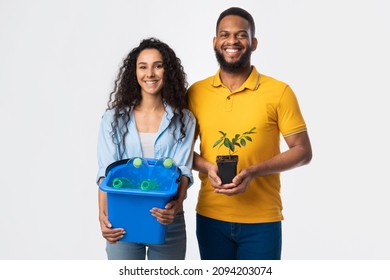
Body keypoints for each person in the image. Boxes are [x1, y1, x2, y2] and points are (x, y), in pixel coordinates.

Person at [187, 7, 312, 260]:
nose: (232, 41)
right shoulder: (196, 93)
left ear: (253, 43)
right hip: (211, 217)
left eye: (241, 35)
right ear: (215, 42)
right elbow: (181, 152)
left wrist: (254, 171)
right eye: (225, 35)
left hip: (262, 219)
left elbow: (302, 151)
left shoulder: (279, 92)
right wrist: (208, 167)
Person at [96, 38, 195, 260]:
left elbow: (184, 170)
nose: (150, 73)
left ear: (167, 71)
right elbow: (106, 171)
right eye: (143, 67)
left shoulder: (184, 119)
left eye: (158, 66)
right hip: (122, 216)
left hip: (167, 218)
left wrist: (176, 207)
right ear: (135, 72)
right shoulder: (113, 119)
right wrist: (103, 216)